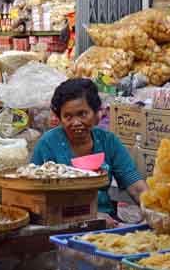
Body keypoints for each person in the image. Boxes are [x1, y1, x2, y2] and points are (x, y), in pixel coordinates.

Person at [31, 78, 148, 225]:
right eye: (68, 116)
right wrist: (91, 216)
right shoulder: (47, 144)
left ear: (95, 113)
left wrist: (151, 210)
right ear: (60, 118)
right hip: (61, 224)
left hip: (107, 223)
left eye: (83, 114)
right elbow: (34, 198)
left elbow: (135, 186)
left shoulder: (108, 141)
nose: (76, 122)